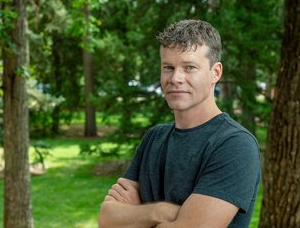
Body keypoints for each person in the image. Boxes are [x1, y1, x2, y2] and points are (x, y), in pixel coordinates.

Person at [98, 20, 261, 228]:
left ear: (216, 73)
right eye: (168, 67)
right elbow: (107, 219)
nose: (175, 78)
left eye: (189, 67)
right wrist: (160, 211)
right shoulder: (154, 138)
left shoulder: (234, 145)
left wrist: (135, 214)